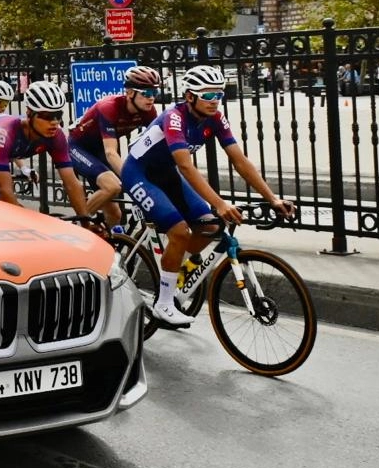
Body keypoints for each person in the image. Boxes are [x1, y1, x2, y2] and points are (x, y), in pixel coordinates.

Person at [121, 65, 295, 327]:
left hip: (166, 174)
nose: (215, 102)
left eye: (219, 95)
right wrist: (220, 203)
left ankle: (173, 267)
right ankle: (164, 303)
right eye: (209, 96)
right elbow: (186, 167)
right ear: (190, 96)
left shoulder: (215, 118)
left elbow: (239, 160)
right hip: (139, 173)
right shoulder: (174, 118)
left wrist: (273, 198)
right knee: (180, 232)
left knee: (211, 227)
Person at [0, 81, 90, 216]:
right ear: (29, 113)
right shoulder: (3, 132)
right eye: (47, 116)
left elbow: (72, 183)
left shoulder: (56, 136)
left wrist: (86, 222)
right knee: (15, 214)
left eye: (58, 116)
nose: (54, 122)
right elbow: (5, 191)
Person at [67, 65, 162, 230]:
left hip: (100, 151)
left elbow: (156, 147)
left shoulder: (148, 111)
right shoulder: (109, 107)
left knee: (115, 215)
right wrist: (134, 179)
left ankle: (111, 250)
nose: (151, 98)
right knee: (112, 186)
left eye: (155, 93)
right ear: (130, 93)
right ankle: (75, 227)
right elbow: (111, 152)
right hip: (80, 148)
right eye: (146, 93)